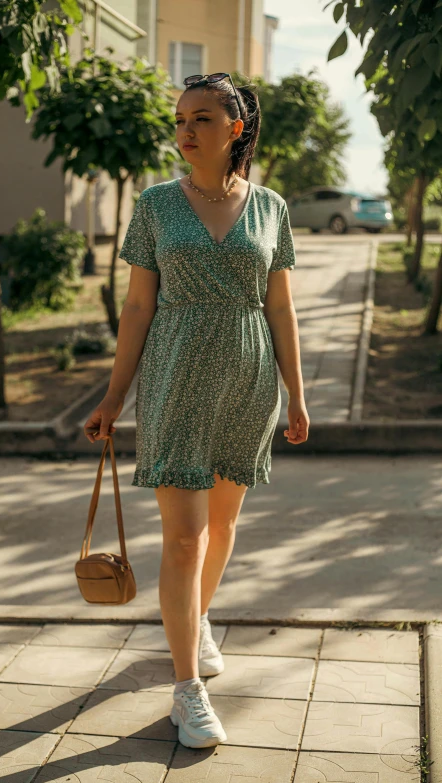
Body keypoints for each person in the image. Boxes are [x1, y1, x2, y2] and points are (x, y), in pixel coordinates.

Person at [83, 73, 309, 749]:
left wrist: (298, 391)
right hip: (176, 376)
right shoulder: (155, 205)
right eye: (180, 118)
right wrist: (114, 395)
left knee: (222, 522)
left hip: (248, 381)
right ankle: (188, 690)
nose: (185, 130)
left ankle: (197, 617)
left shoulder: (271, 206)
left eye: (202, 118)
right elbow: (137, 306)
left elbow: (281, 307)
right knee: (183, 538)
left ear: (235, 129)